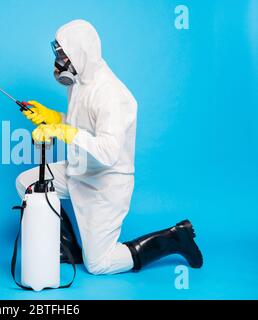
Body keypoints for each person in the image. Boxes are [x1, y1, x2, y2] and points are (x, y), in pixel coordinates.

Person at [16, 19, 203, 274]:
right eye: (57, 53)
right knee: (27, 183)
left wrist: (62, 131)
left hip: (106, 184)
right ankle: (68, 249)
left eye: (63, 54)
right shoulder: (80, 81)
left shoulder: (113, 94)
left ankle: (174, 238)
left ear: (81, 51)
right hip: (79, 169)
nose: (59, 61)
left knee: (99, 264)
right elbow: (83, 126)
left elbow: (107, 151)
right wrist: (54, 117)